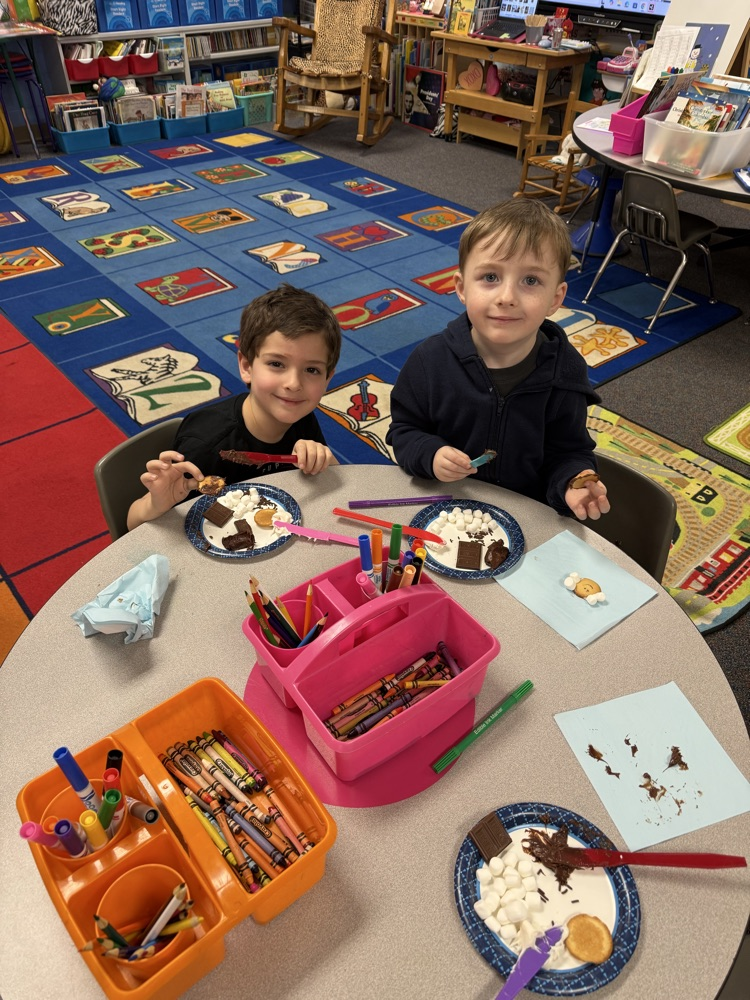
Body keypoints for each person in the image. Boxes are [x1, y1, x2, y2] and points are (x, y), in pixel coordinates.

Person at [386, 199, 610, 522]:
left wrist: (571, 483)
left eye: (530, 281)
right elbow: (405, 430)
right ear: (462, 288)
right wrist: (431, 454)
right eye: (490, 277)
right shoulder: (429, 361)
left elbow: (568, 452)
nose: (506, 297)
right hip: (445, 510)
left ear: (556, 299)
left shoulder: (565, 371)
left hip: (524, 518)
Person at [127, 283, 341, 531]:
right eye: (276, 364)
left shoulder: (299, 415)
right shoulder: (207, 446)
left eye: (312, 370)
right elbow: (132, 526)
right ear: (247, 366)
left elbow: (336, 485)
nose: (294, 384)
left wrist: (321, 457)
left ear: (328, 378)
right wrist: (157, 504)